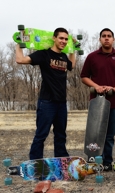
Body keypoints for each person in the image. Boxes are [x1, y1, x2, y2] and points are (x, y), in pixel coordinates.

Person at [15, 27, 76, 160]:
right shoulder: (44, 54)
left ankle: (61, 160)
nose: (63, 41)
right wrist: (19, 43)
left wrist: (73, 49)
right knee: (41, 134)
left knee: (61, 134)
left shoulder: (64, 56)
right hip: (47, 102)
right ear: (54, 38)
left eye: (66, 39)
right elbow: (20, 60)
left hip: (61, 102)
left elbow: (72, 65)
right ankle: (35, 162)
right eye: (61, 38)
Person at [80, 28, 115, 170]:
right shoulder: (92, 57)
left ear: (113, 39)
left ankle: (107, 162)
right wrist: (96, 86)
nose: (106, 38)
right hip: (96, 102)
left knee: (109, 135)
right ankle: (94, 160)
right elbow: (84, 76)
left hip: (114, 102)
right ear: (100, 39)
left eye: (109, 36)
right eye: (104, 36)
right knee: (95, 133)